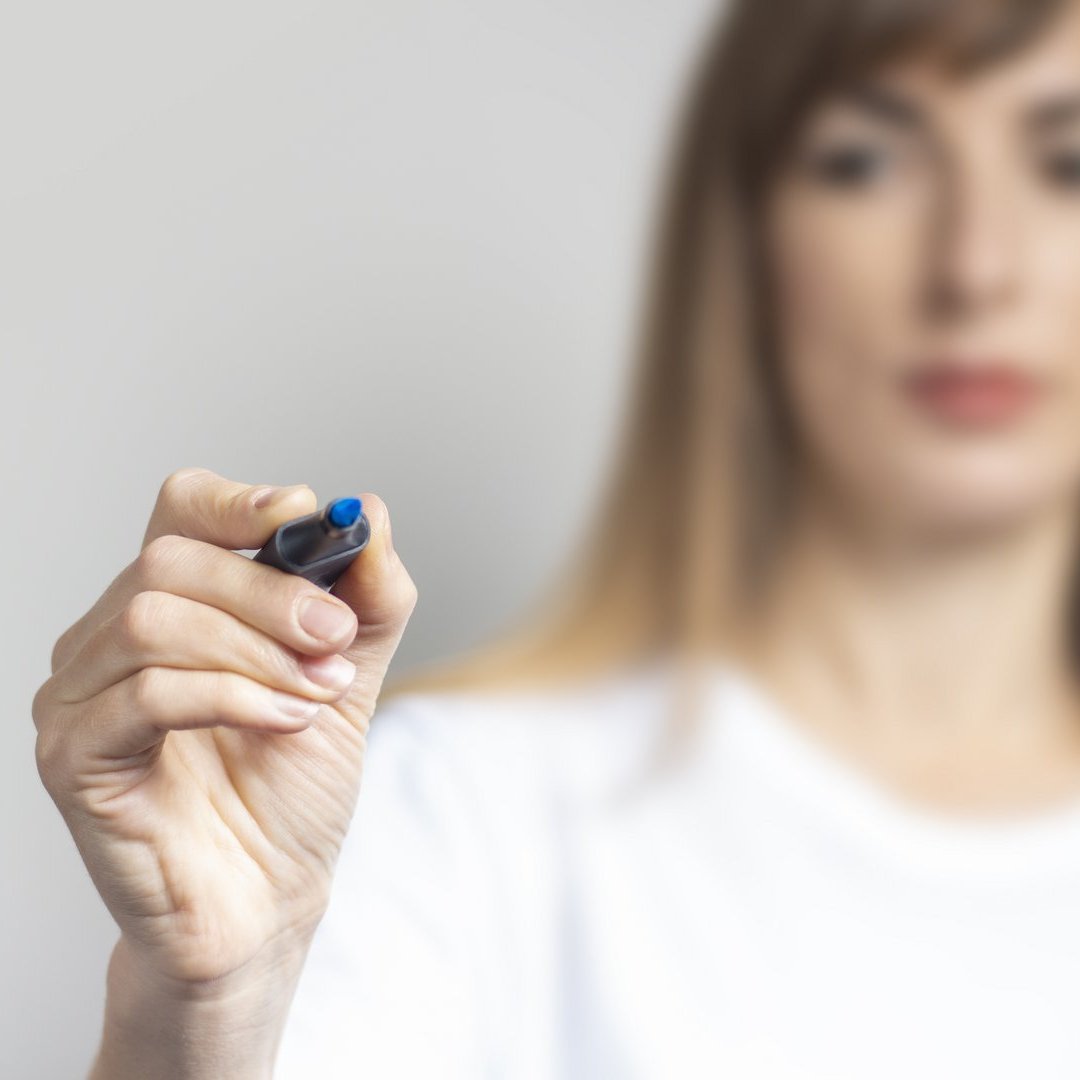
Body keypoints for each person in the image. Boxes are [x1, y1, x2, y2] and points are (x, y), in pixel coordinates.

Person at [33, 0, 1080, 1075]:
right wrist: (212, 1007)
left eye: (1068, 163)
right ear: (743, 243)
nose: (976, 267)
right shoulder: (453, 817)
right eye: (865, 163)